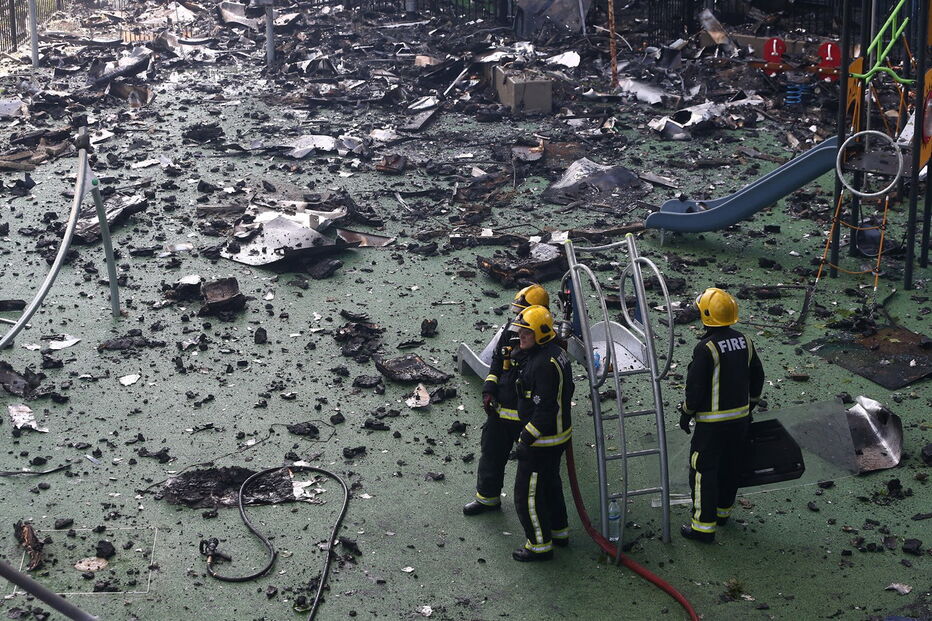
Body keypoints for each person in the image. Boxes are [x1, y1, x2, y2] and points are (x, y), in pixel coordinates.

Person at [678, 287, 764, 543]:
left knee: (702, 470)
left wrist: (686, 413)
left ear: (706, 315)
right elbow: (757, 375)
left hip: (712, 426)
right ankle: (723, 513)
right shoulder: (745, 341)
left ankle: (703, 527)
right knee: (730, 466)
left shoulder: (706, 348)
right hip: (739, 422)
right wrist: (750, 406)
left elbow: (695, 388)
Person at [463, 284, 550, 516]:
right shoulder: (510, 331)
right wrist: (489, 389)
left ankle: (543, 522)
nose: (517, 318)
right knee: (491, 453)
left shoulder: (545, 345)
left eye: (523, 312)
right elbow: (495, 362)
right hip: (500, 411)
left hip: (527, 419)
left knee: (531, 476)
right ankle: (487, 498)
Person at [510, 305, 574, 561]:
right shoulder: (556, 354)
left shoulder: (543, 364)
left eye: (526, 333)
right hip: (558, 436)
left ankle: (538, 544)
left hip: (543, 441)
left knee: (528, 493)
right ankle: (559, 531)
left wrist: (526, 439)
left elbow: (545, 408)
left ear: (541, 333)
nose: (520, 336)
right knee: (551, 485)